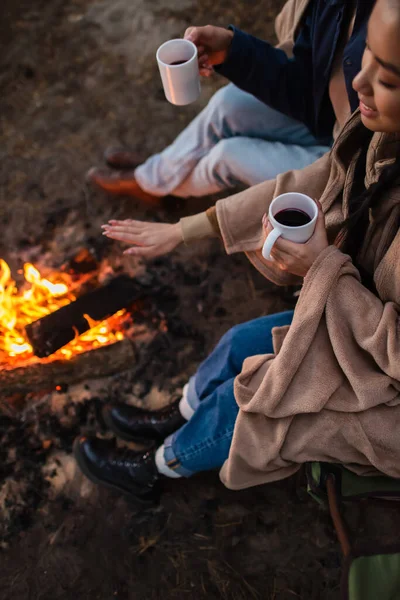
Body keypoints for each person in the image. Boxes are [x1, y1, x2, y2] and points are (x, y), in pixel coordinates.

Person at [74, 0, 400, 505]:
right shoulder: (379, 133)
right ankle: (179, 413)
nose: (358, 82)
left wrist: (324, 273)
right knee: (235, 343)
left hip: (386, 393)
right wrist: (185, 230)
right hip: (358, 317)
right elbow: (318, 175)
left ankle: (159, 466)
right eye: (369, 59)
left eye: (388, 78)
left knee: (250, 396)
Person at [87, 0, 373, 203]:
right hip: (330, 120)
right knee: (228, 103)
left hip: (353, 165)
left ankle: (151, 181)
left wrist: (188, 230)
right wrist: (232, 51)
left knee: (229, 154)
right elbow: (306, 84)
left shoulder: (387, 20)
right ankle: (156, 176)